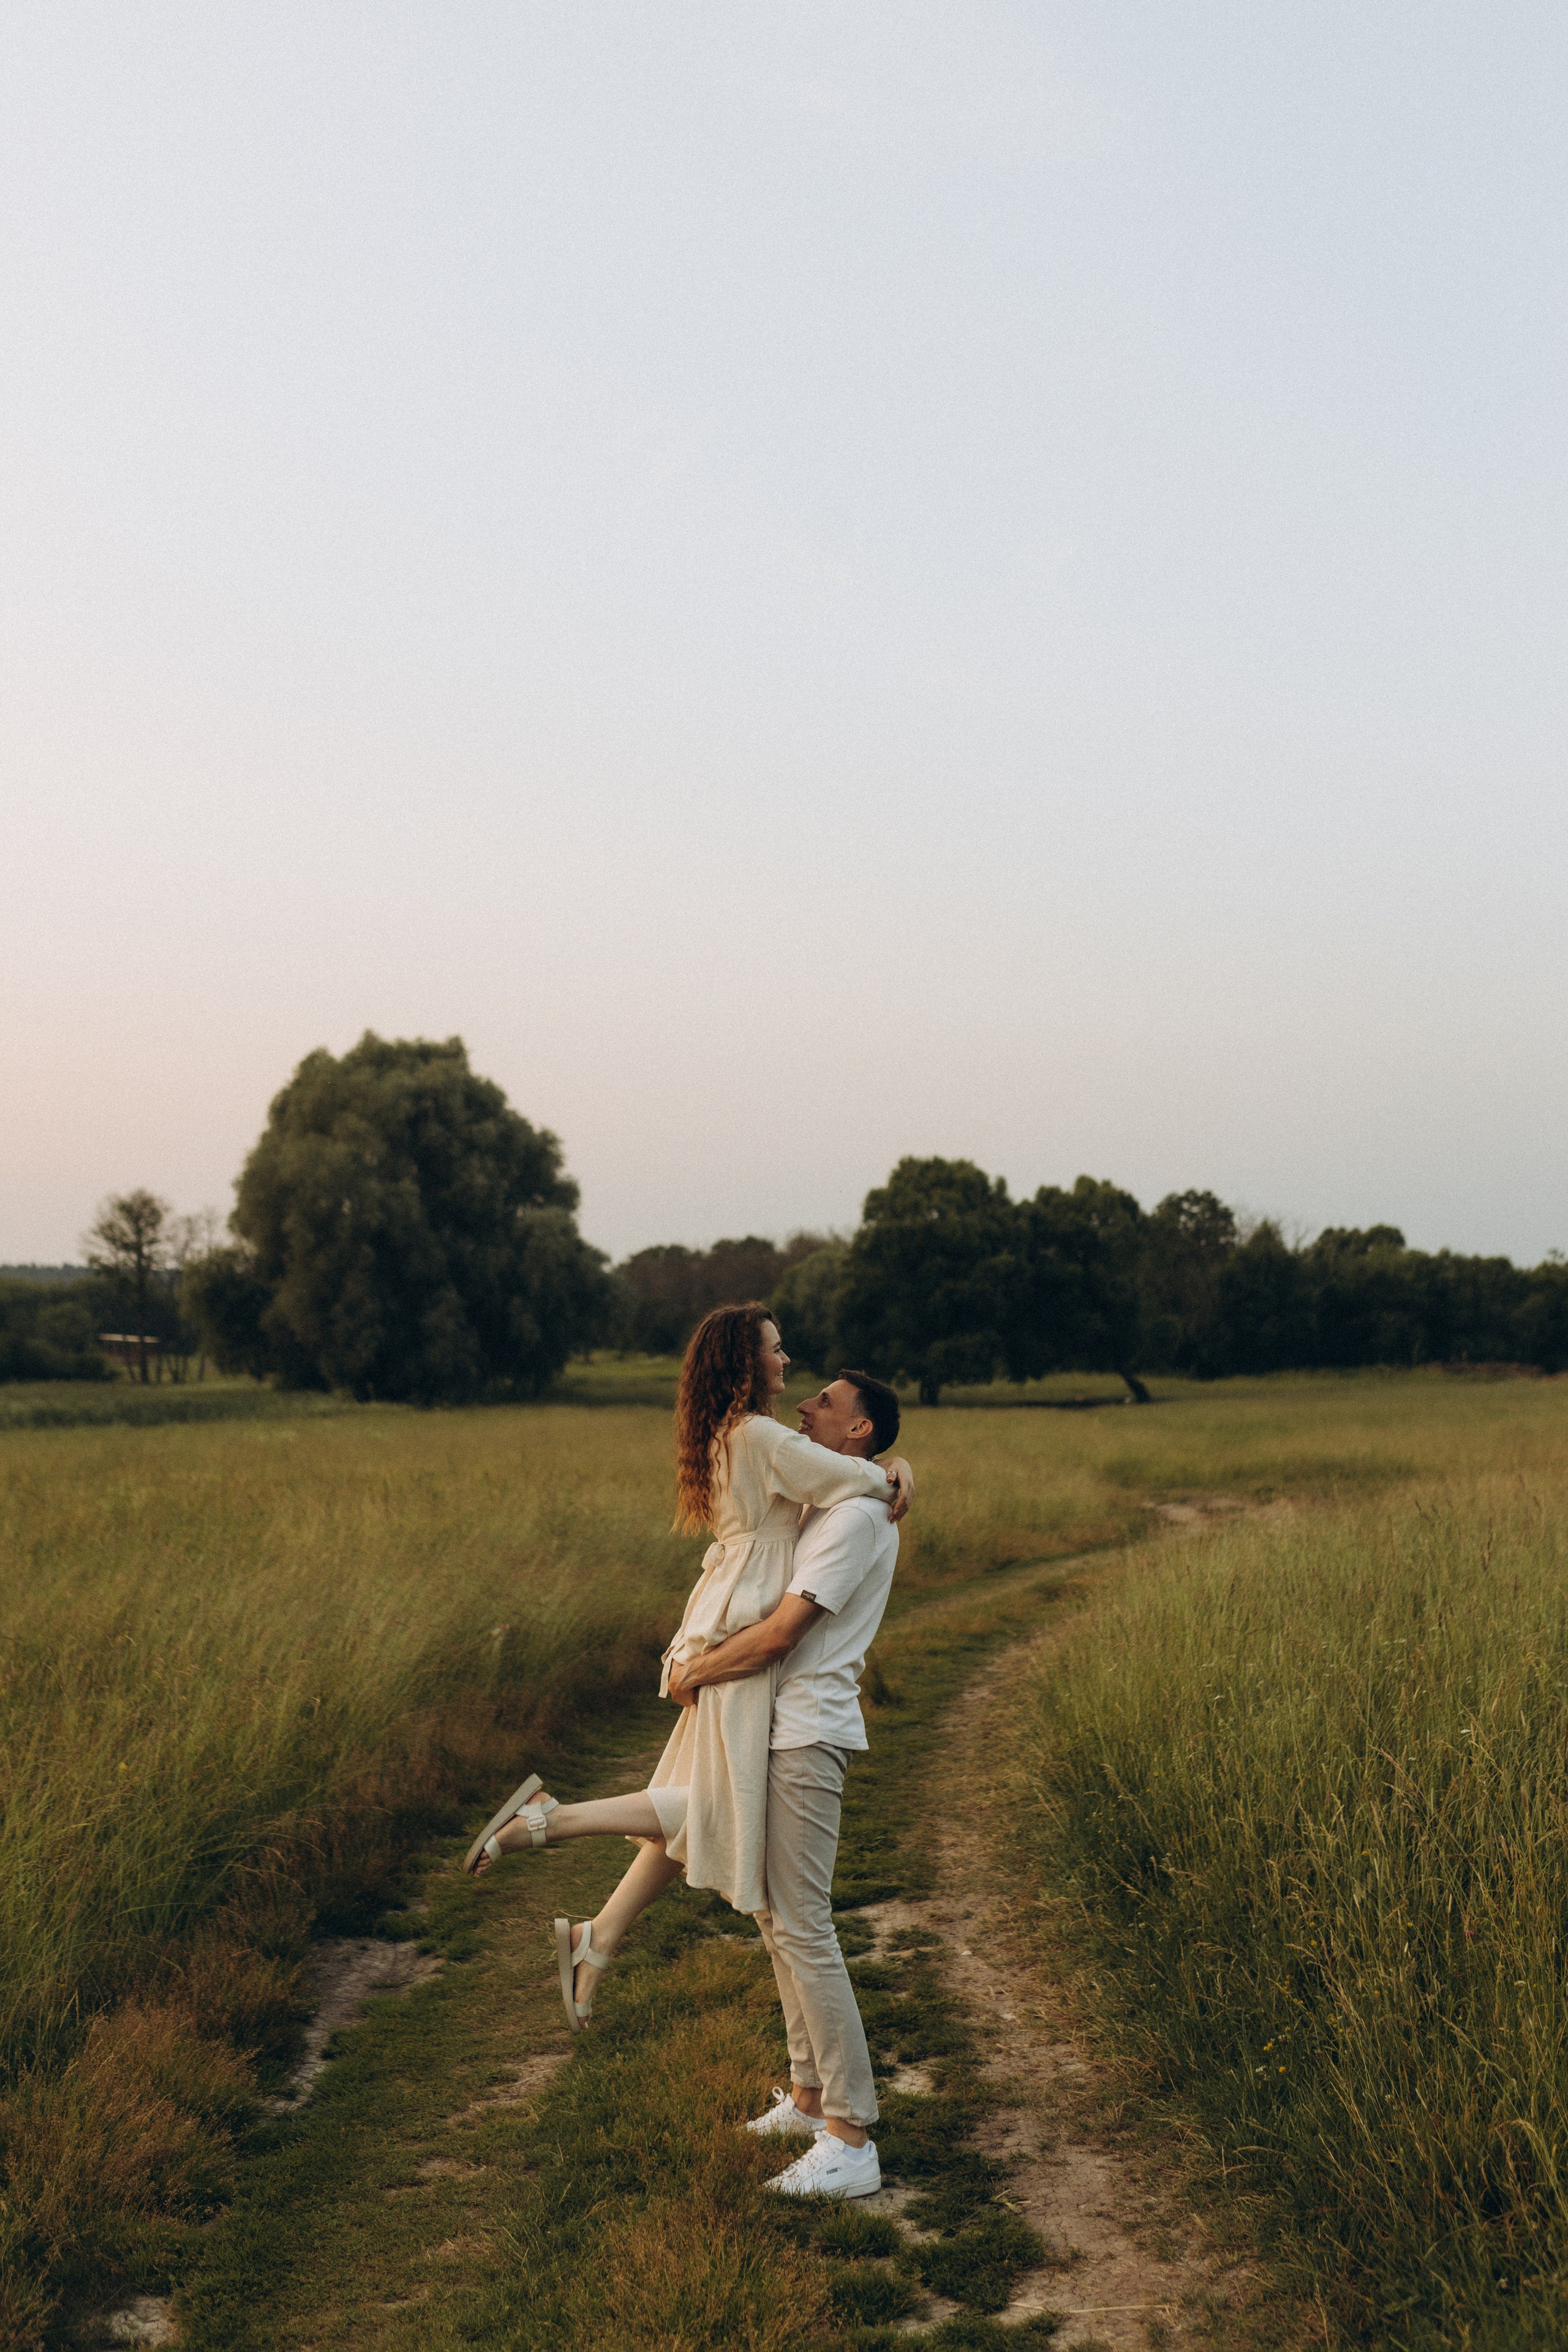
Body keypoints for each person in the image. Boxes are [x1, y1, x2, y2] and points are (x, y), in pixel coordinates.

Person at [462, 1303, 913, 2045]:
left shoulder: (729, 1432)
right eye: (776, 1350)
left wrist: (891, 1465)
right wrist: (897, 1475)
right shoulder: (766, 1437)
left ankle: (597, 1936)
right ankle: (546, 1822)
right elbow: (861, 1482)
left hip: (720, 1611)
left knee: (702, 1801)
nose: (789, 1367)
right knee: (713, 1805)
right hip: (742, 1629)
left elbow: (851, 1472)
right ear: (747, 1362)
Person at [667, 1367, 902, 2200]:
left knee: (805, 1926)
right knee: (777, 1919)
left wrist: (695, 1669)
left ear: (860, 1432)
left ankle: (852, 2136)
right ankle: (809, 2099)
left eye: (827, 1405)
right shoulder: (833, 1503)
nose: (805, 1406)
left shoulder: (854, 1519)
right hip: (781, 1730)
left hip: (806, 1735)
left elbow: (779, 1636)